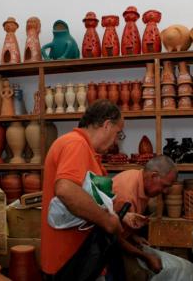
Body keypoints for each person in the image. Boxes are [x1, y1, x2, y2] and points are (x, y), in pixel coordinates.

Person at [40, 99, 125, 279]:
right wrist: (107, 221)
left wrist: (116, 214)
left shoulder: (84, 148)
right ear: (107, 125)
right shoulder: (76, 144)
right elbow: (66, 189)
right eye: (119, 133)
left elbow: (87, 197)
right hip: (70, 262)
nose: (117, 140)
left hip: (79, 259)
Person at [112, 155, 193, 281]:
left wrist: (133, 236)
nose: (165, 191)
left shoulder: (140, 179)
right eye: (164, 186)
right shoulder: (125, 195)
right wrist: (145, 257)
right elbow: (113, 237)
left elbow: (121, 223)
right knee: (140, 275)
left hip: (119, 237)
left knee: (183, 267)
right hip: (106, 245)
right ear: (154, 176)